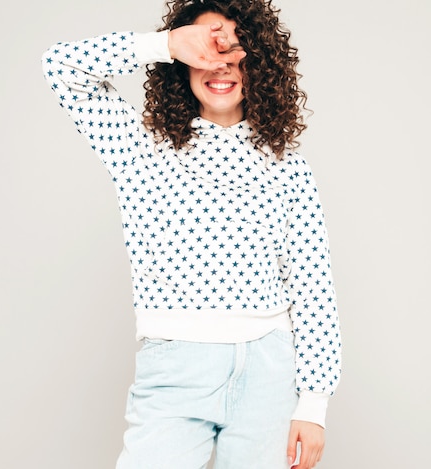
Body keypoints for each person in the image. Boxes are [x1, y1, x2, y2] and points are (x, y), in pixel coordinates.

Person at [41, 1, 341, 467]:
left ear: (259, 63)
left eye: (235, 51)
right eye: (205, 52)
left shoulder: (288, 168)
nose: (219, 66)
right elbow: (61, 66)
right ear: (181, 65)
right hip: (176, 366)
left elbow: (312, 283)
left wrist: (314, 404)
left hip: (270, 371)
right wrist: (166, 43)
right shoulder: (139, 149)